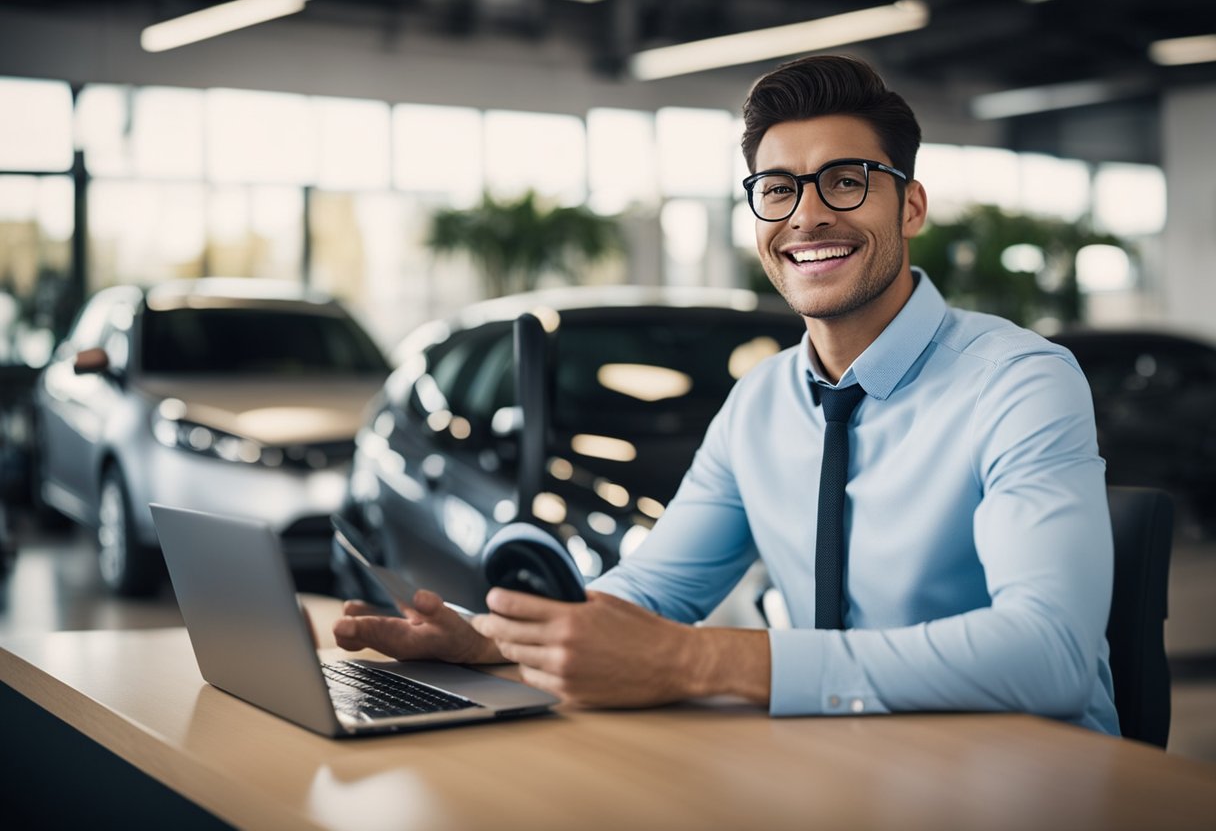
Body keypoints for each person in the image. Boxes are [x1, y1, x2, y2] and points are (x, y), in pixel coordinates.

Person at [334, 55, 1119, 734]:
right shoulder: (763, 401)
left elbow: (1047, 654)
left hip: (1028, 772)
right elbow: (652, 590)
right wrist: (491, 641)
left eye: (846, 182)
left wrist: (701, 658)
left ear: (909, 205)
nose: (808, 215)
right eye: (778, 189)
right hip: (842, 763)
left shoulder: (1020, 382)